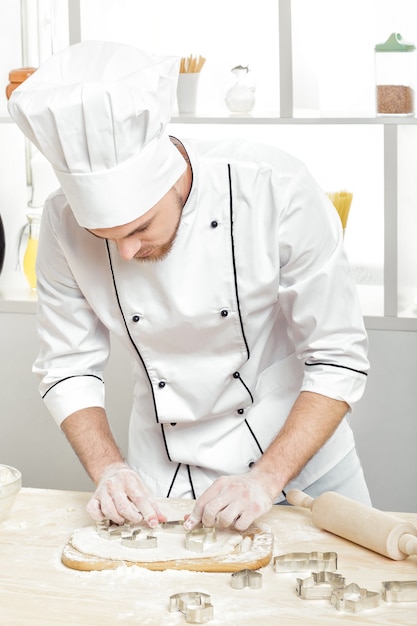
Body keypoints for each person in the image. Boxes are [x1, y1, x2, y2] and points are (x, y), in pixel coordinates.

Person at [9, 41, 371, 532]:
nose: (127, 254)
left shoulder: (273, 188)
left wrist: (265, 481)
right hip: (163, 483)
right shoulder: (59, 223)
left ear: (174, 178)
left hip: (306, 471)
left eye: (139, 228)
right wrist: (108, 469)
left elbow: (336, 357)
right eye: (105, 237)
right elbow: (67, 366)